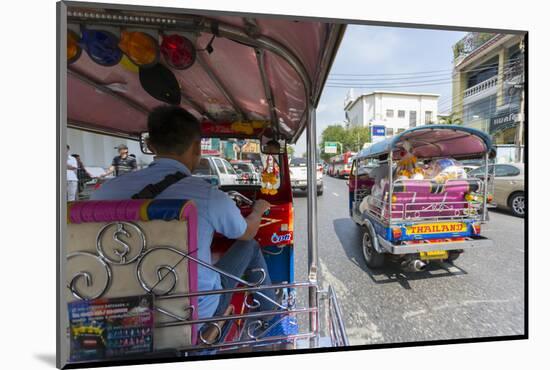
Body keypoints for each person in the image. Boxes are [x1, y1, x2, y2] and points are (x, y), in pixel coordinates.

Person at [91, 106, 277, 332]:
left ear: (150, 146)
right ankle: (272, 318)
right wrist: (257, 210)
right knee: (250, 246)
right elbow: (247, 232)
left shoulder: (103, 192)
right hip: (194, 312)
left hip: (123, 310)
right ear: (197, 147)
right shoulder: (208, 196)